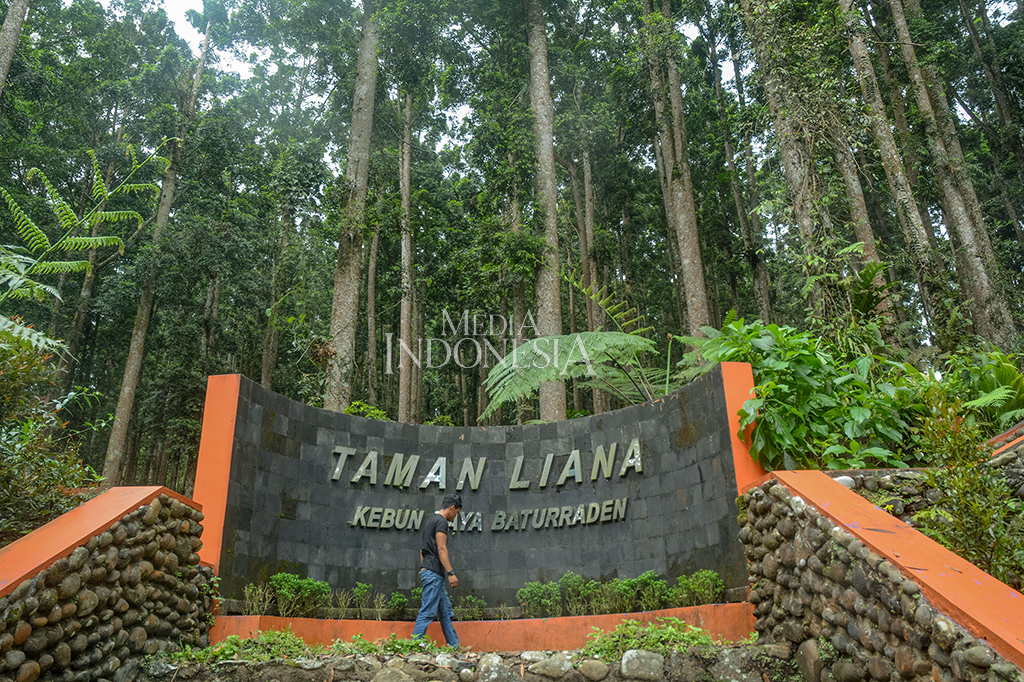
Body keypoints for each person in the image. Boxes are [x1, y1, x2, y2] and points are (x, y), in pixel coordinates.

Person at [412, 493, 462, 647]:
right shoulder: (441, 522)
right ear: (452, 508)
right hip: (434, 574)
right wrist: (450, 573)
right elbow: (441, 548)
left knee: (445, 613)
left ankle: (454, 646)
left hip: (430, 572)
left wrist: (425, 568)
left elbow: (422, 551)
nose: (455, 516)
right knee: (427, 612)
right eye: (456, 512)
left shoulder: (431, 522)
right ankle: (415, 646)